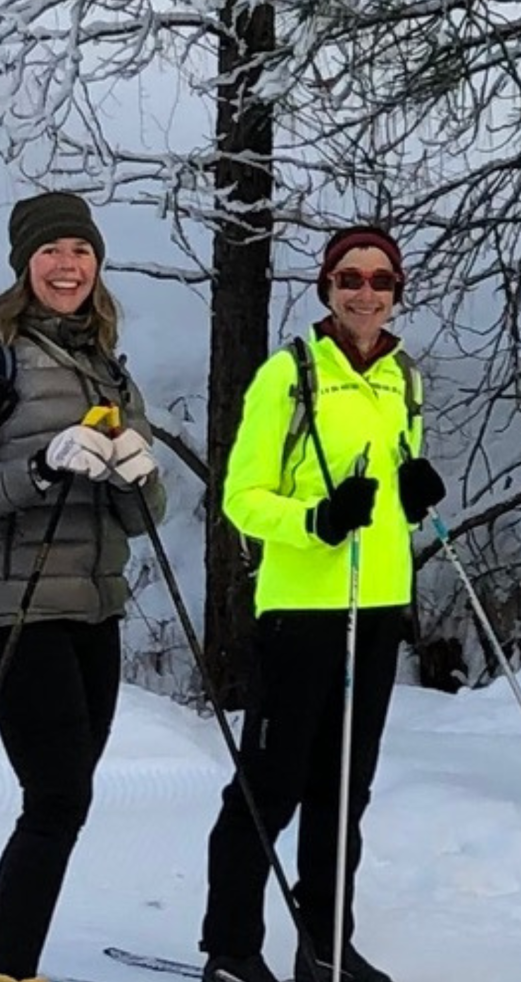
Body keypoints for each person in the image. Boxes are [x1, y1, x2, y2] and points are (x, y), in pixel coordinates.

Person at [0, 190, 169, 982]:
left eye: (82, 252)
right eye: (53, 252)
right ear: (25, 265)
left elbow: (140, 516)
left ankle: (9, 966)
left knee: (67, 801)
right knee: (56, 798)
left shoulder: (112, 374)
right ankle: (3, 972)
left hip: (94, 609)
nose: (69, 266)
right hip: (10, 609)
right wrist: (39, 468)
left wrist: (136, 475)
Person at [199, 224, 448, 982]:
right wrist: (315, 521)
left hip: (376, 607)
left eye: (380, 280)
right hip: (303, 608)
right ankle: (232, 951)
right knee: (271, 787)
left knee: (344, 791)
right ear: (326, 288)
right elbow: (241, 499)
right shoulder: (292, 373)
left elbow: (397, 490)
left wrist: (414, 500)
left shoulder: (404, 377)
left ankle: (326, 948)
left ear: (397, 291)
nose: (365, 293)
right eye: (350, 278)